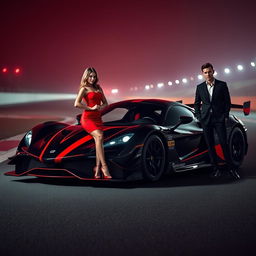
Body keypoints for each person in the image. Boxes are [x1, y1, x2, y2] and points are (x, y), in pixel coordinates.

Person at [194, 63, 240, 179]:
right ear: (202, 74)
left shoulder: (222, 85)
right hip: (206, 120)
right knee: (210, 145)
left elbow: (227, 102)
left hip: (219, 119)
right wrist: (199, 117)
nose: (208, 74)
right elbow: (196, 104)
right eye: (205, 72)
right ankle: (216, 169)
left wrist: (225, 116)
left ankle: (231, 169)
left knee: (224, 144)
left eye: (209, 72)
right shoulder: (200, 87)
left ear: (213, 71)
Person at [74, 67, 112, 179]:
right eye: (90, 76)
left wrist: (101, 107)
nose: (92, 78)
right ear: (86, 77)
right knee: (99, 136)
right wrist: (91, 108)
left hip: (98, 118)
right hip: (88, 118)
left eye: (94, 76)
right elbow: (76, 104)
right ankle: (104, 167)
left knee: (98, 141)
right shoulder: (84, 89)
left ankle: (97, 169)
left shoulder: (98, 87)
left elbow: (106, 103)